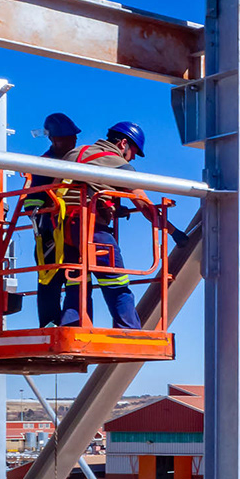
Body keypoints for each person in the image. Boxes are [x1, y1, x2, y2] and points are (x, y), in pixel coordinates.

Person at [56, 121, 147, 329]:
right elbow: (142, 200)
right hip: (93, 231)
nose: (132, 157)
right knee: (116, 282)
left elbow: (78, 187)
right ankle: (130, 331)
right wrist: (171, 229)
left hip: (65, 231)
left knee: (75, 283)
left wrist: (114, 205)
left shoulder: (75, 153)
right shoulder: (115, 161)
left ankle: (72, 327)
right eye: (133, 152)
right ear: (123, 143)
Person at [25, 112, 80, 326]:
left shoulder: (77, 160)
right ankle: (49, 323)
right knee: (49, 276)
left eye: (74, 136)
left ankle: (71, 322)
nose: (73, 141)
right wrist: (44, 219)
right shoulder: (45, 164)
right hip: (49, 230)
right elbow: (33, 200)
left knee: (75, 273)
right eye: (68, 137)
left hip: (71, 228)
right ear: (53, 139)